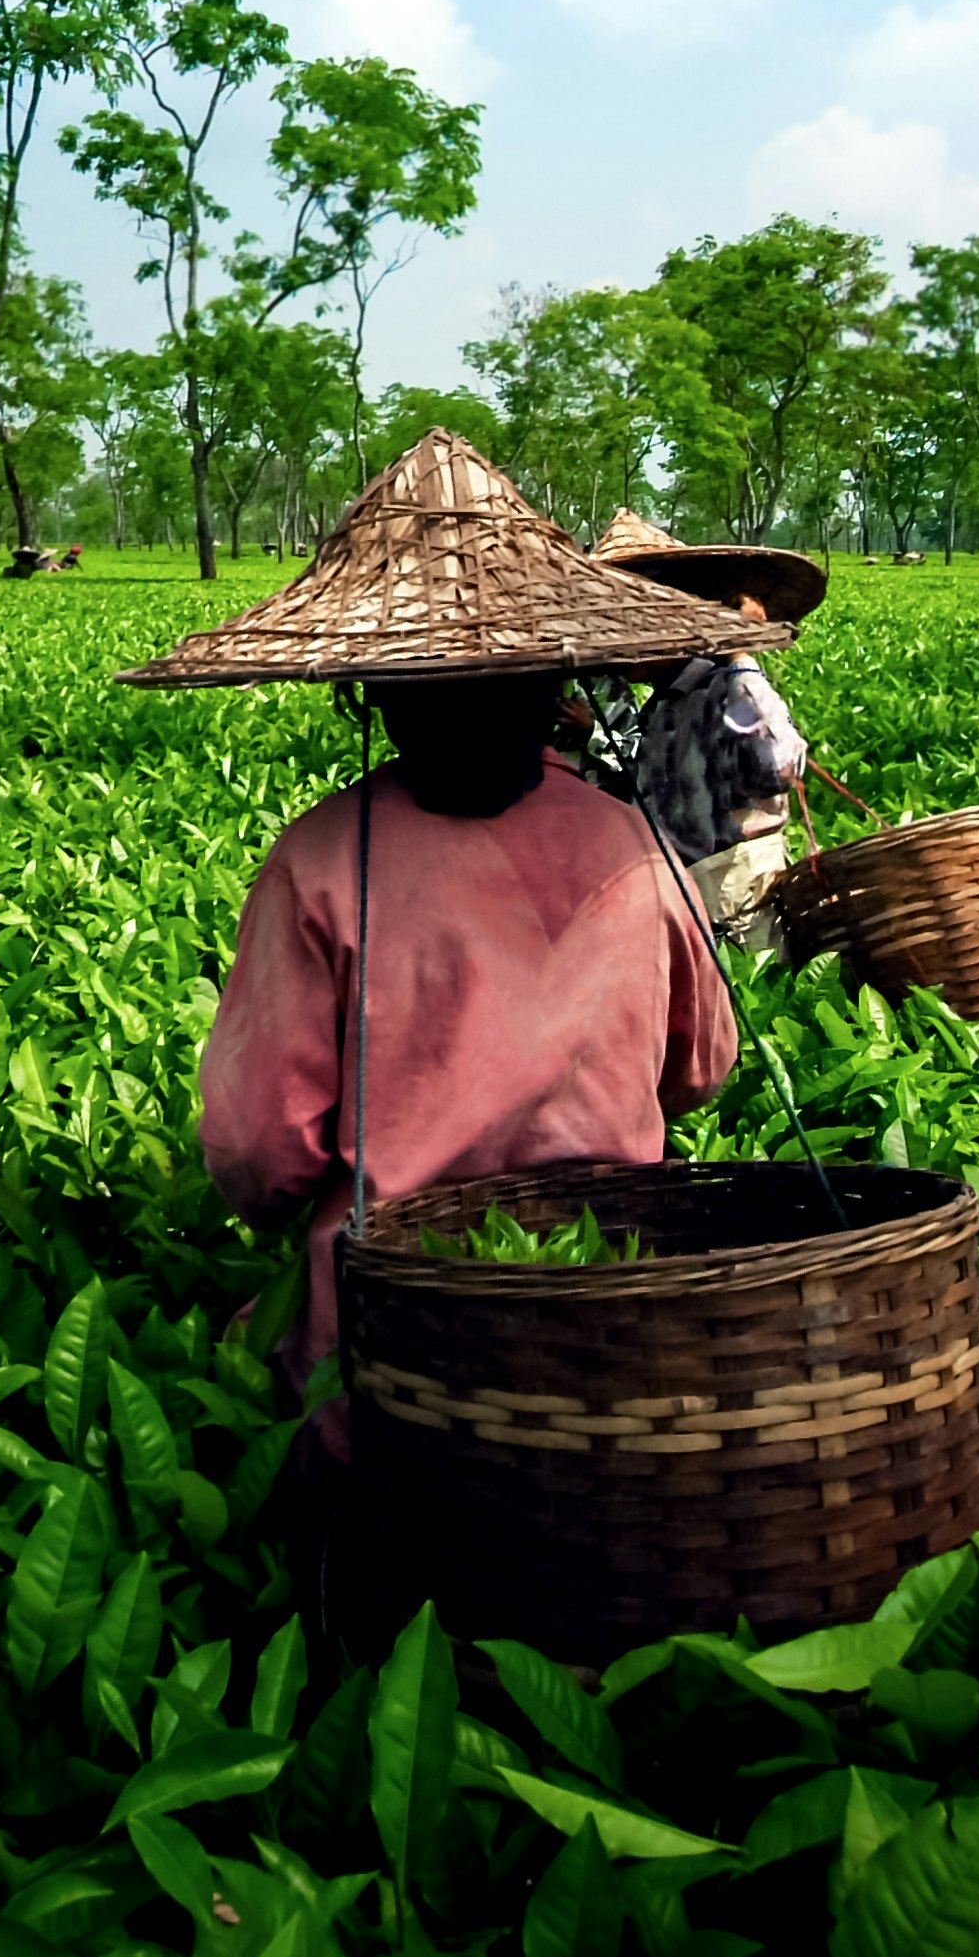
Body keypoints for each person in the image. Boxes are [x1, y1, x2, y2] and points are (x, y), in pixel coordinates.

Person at [122, 431, 787, 1635]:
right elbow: (701, 1067)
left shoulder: (318, 861)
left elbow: (257, 1149)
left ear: (369, 692)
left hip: (385, 1346)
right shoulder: (627, 845)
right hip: (605, 1326)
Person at [592, 512, 823, 952]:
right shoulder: (661, 706)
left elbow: (779, 767)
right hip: (677, 909)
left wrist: (741, 652)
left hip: (741, 920)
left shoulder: (724, 687)